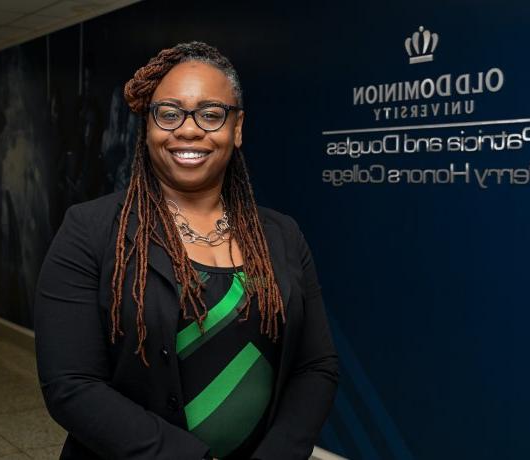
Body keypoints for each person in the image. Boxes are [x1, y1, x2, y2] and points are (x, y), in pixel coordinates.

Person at [34, 41, 339, 460]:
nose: (189, 129)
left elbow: (315, 365)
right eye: (169, 113)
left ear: (238, 127)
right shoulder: (90, 231)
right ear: (148, 126)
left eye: (211, 114)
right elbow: (71, 385)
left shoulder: (282, 235)